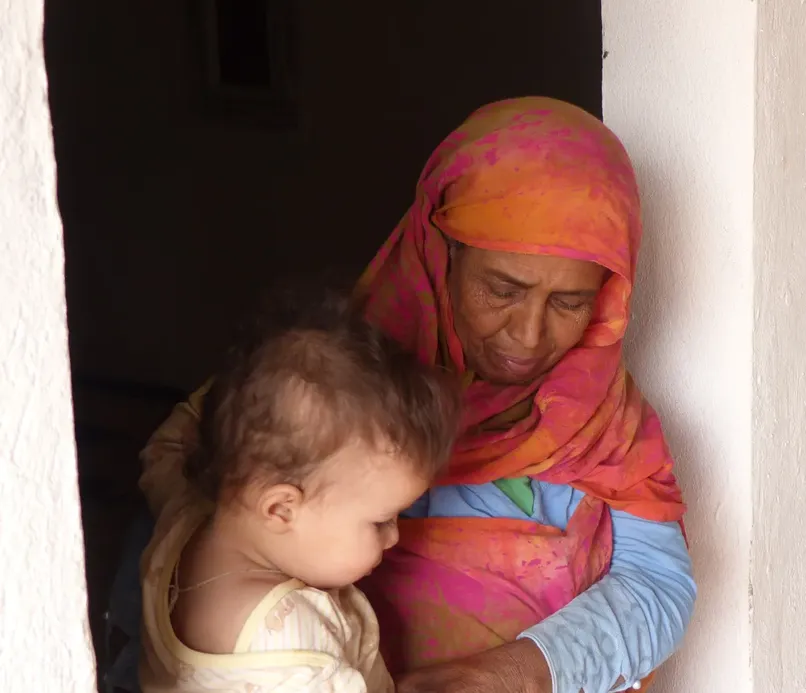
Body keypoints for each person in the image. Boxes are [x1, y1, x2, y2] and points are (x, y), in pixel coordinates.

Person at [109, 96, 696, 693]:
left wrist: (514, 673)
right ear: (442, 255)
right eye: (501, 289)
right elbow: (198, 460)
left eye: (570, 303)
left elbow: (658, 583)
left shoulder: (607, 421)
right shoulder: (336, 377)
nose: (528, 335)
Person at [136, 286, 460, 692]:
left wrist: (248, 402)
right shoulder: (294, 641)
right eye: (380, 521)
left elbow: (165, 449)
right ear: (281, 510)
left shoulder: (182, 515)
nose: (394, 536)